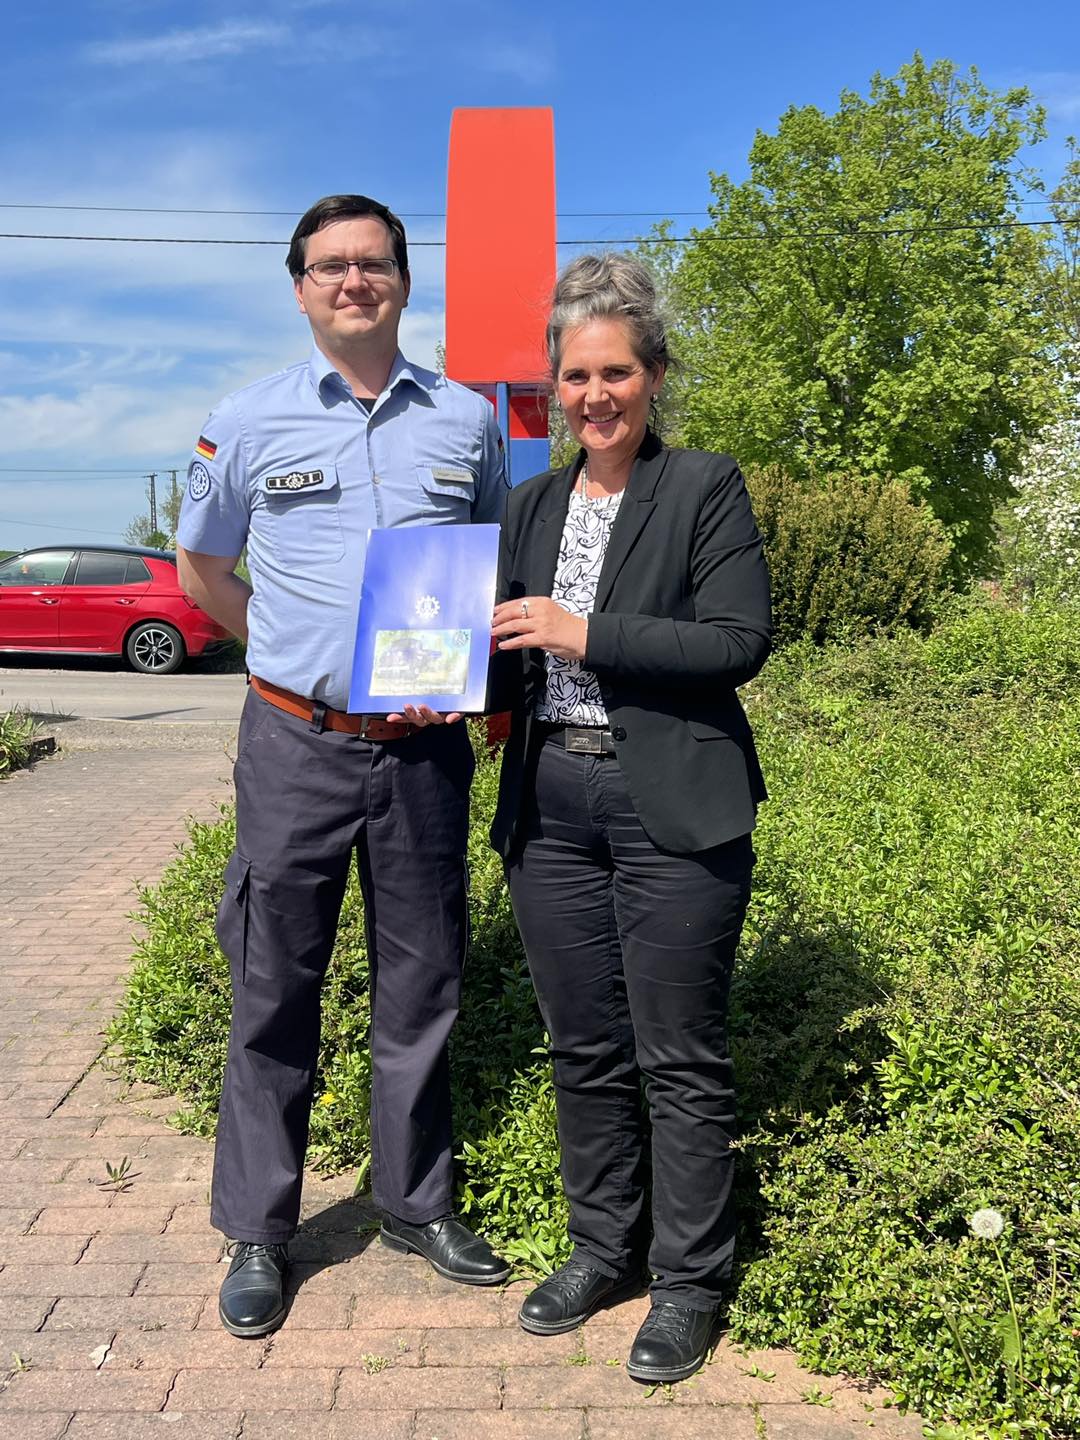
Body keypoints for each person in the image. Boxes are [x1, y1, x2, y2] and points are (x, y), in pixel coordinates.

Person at [176, 193, 511, 1340]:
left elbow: (486, 566)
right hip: (295, 744)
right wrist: (289, 657)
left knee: (424, 983)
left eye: (373, 263)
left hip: (422, 754)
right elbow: (203, 570)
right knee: (274, 983)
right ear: (301, 288)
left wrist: (454, 672)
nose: (353, 281)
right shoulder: (246, 421)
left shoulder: (466, 422)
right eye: (331, 266)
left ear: (405, 281)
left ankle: (415, 1204)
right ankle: (259, 1229)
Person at [489, 254, 771, 1384]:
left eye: (615, 372)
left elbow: (736, 641)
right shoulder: (530, 505)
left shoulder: (704, 486)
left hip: (673, 806)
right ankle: (603, 1250)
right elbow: (509, 654)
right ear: (553, 386)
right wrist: (434, 681)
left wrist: (586, 632)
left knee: (679, 1055)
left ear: (653, 375)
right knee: (585, 1046)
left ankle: (689, 1282)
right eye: (575, 375)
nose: (594, 395)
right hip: (551, 802)